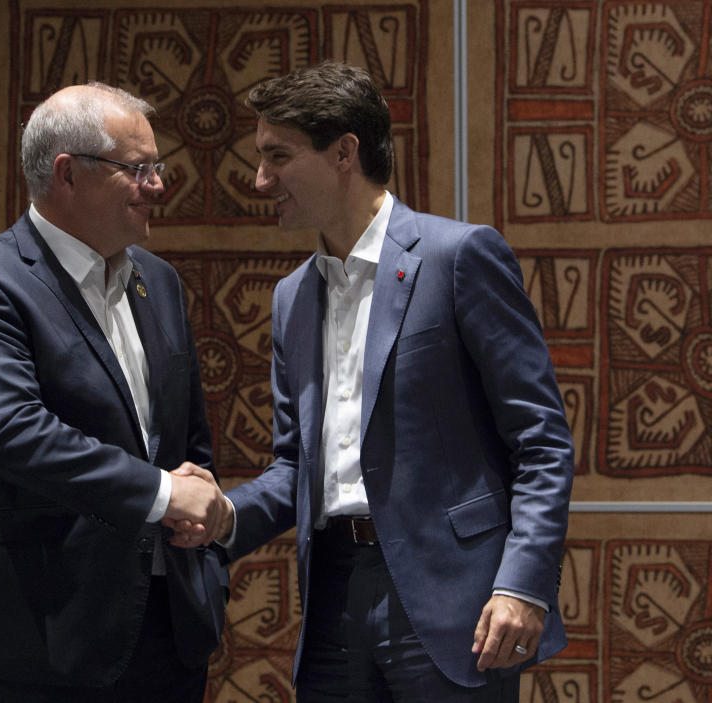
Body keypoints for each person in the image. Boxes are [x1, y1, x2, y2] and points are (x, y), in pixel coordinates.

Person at [172, 61, 574, 701]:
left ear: (344, 152)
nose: (260, 179)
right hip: (332, 591)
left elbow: (542, 440)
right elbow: (293, 464)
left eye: (278, 157)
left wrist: (522, 584)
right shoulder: (290, 298)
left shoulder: (459, 256)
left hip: (456, 601)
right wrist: (224, 515)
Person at [0, 82, 229, 703]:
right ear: (67, 174)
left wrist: (202, 514)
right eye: (138, 169)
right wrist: (165, 494)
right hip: (35, 638)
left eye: (157, 168)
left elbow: (187, 438)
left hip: (166, 630)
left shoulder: (158, 281)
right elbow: (4, 429)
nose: (159, 186)